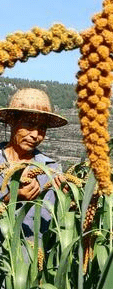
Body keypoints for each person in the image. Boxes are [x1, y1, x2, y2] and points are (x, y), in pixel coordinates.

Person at [0, 87, 69, 239]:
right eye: (29, 124)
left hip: (32, 258)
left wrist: (69, 200)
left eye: (42, 128)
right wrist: (11, 198)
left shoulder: (51, 170)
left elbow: (60, 221)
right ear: (12, 121)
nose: (36, 135)